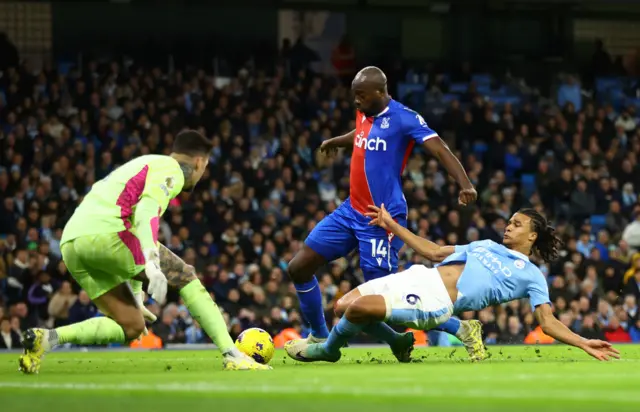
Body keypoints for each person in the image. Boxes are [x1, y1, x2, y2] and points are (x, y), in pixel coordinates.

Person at [19, 130, 269, 373]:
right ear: (199, 161)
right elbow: (146, 211)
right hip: (108, 233)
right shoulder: (172, 170)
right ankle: (232, 354)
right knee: (186, 275)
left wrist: (137, 295)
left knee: (131, 325)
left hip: (73, 242)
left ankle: (47, 338)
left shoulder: (144, 163)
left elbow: (129, 235)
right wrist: (151, 260)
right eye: (204, 168)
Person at [286, 66, 483, 360]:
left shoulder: (405, 118)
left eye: (361, 96)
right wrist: (337, 141)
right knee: (298, 267)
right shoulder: (365, 111)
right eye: (354, 96)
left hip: (381, 220)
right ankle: (320, 333)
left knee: (386, 300)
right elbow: (362, 133)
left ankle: (460, 328)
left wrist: (465, 183)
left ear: (381, 93)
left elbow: (439, 149)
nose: (356, 101)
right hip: (350, 211)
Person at [286, 205, 620, 363]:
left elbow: (547, 323)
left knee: (358, 310)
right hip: (419, 276)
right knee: (341, 306)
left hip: (434, 301)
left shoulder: (532, 276)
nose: (508, 227)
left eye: (517, 225)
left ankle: (327, 350)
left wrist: (583, 342)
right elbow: (432, 251)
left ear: (532, 235)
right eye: (509, 222)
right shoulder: (487, 245)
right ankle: (402, 343)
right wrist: (391, 225)